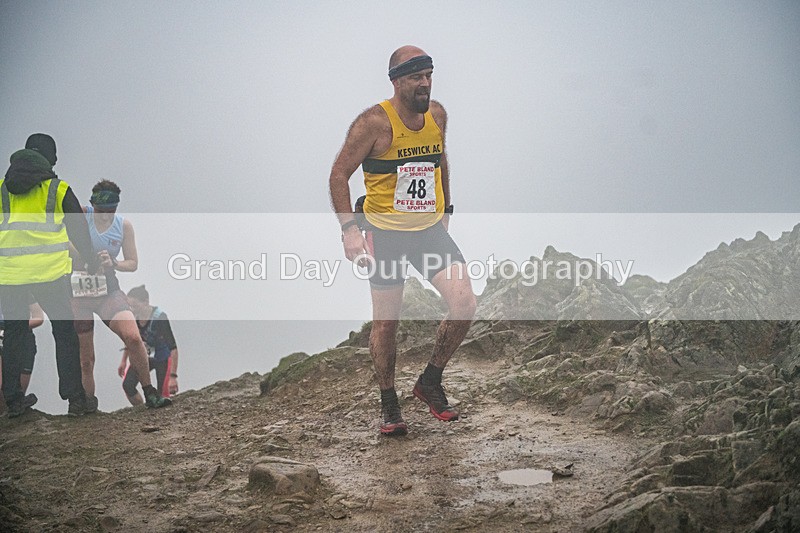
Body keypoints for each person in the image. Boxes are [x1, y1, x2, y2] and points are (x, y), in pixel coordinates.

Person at [329, 46, 477, 436]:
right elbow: (338, 175)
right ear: (397, 81)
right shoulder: (373, 123)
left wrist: (447, 210)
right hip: (384, 233)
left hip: (427, 231)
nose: (424, 83)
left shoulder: (438, 114)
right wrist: (349, 230)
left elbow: (439, 159)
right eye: (416, 77)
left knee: (464, 303)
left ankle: (430, 381)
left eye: (429, 75)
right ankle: (389, 405)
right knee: (386, 325)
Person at [0, 134, 98, 417]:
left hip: (10, 276)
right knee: (64, 332)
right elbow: (79, 229)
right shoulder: (57, 189)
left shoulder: (3, 190)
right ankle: (76, 399)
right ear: (49, 158)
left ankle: (14, 402)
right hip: (50, 275)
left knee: (15, 334)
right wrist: (90, 260)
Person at [70, 180, 171, 411]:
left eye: (111, 211)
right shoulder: (82, 215)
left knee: (133, 337)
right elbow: (62, 242)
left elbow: (133, 263)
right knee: (86, 359)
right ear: (92, 205)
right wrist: (86, 256)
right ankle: (88, 405)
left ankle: (149, 393)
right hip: (79, 293)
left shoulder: (123, 226)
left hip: (108, 289)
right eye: (101, 211)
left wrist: (113, 262)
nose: (105, 216)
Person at [119, 285, 180, 405]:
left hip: (161, 358)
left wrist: (173, 376)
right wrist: (123, 361)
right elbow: (130, 340)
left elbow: (173, 348)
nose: (133, 310)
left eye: (135, 306)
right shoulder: (132, 317)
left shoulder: (160, 317)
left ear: (146, 302)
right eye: (130, 307)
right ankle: (141, 408)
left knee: (162, 393)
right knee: (128, 385)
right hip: (143, 356)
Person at [0, 301, 44, 413]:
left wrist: (16, 326)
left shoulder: (24, 294)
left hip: (22, 336)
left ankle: (16, 406)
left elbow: (39, 317)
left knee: (21, 378)